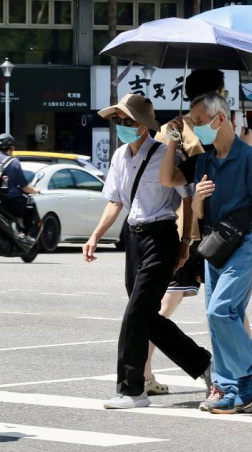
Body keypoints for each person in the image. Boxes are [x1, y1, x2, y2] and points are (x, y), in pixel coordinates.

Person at [163, 92, 252, 414]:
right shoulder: (205, 161)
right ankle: (243, 376)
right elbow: (188, 200)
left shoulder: (249, 158)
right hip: (214, 245)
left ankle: (249, 376)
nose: (196, 127)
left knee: (221, 312)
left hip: (245, 243)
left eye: (199, 122)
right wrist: (196, 198)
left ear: (220, 119)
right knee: (217, 317)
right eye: (193, 122)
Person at [82, 94, 212, 410]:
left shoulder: (165, 155)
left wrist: (184, 243)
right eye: (119, 120)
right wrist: (95, 235)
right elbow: (115, 202)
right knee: (145, 316)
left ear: (143, 125)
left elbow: (185, 197)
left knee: (136, 313)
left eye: (129, 121)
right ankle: (204, 364)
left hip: (162, 236)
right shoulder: (118, 157)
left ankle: (132, 389)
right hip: (133, 237)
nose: (123, 126)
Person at [0, 133, 41, 239]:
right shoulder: (14, 162)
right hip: (8, 202)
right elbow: (25, 187)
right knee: (30, 205)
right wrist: (36, 190)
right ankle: (25, 235)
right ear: (12, 147)